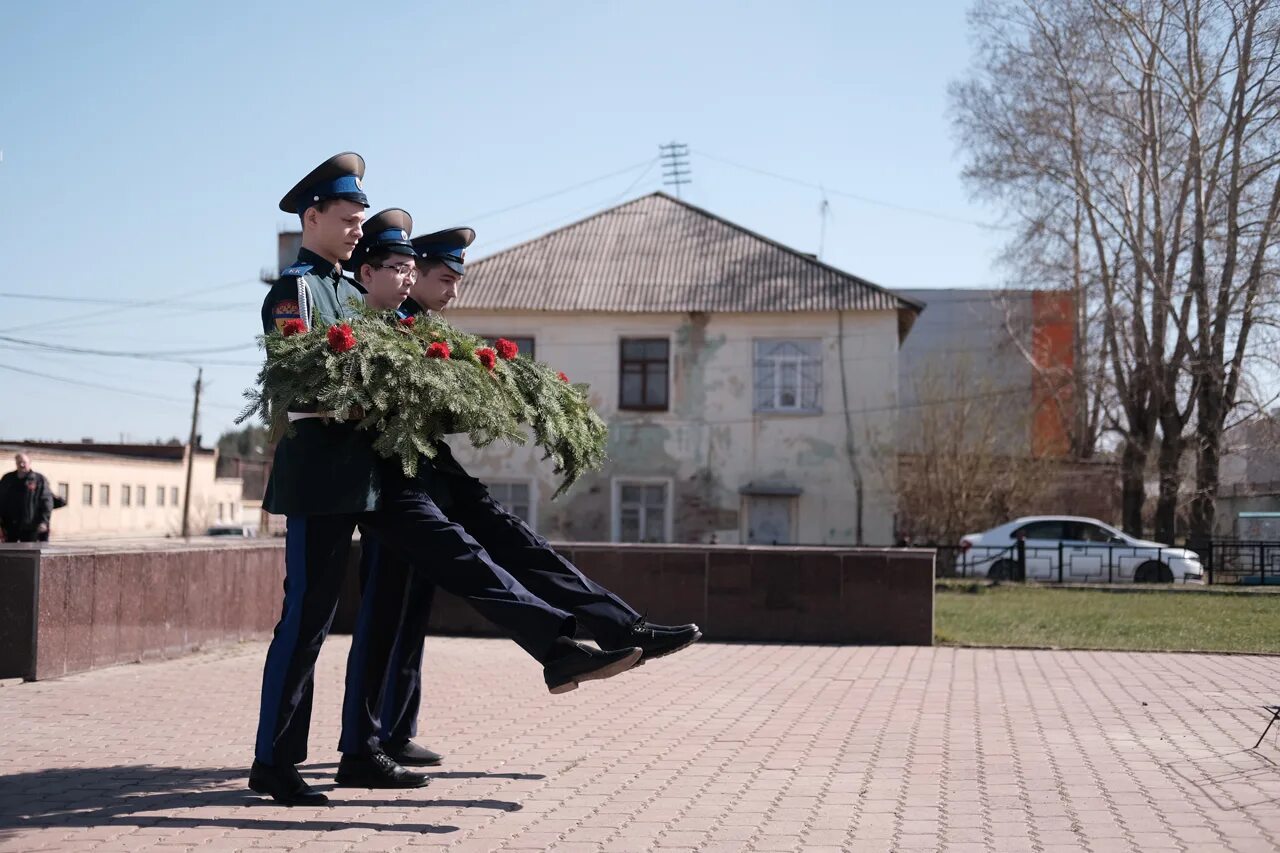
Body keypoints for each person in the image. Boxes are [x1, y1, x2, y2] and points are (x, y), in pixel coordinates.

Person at [250, 165, 641, 807]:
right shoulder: (294, 293)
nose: (355, 233)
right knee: (308, 621)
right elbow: (296, 382)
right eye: (347, 222)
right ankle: (275, 762)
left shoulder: (350, 294)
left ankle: (558, 647)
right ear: (310, 218)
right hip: (321, 473)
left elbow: (391, 362)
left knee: (460, 553)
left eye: (358, 222)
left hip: (378, 468)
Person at [336, 226, 701, 773]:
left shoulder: (420, 328)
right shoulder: (378, 325)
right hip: (395, 482)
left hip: (433, 472)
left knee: (517, 545)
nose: (449, 289)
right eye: (440, 276)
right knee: (388, 614)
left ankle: (621, 627)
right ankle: (365, 742)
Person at [0, 453, 54, 542]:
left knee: (28, 553)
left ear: (29, 462)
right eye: (19, 462)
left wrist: (44, 521)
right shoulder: (8, 479)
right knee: (8, 553)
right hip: (10, 525)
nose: (21, 465)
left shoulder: (38, 480)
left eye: (24, 462)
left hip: (31, 526)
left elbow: (47, 502)